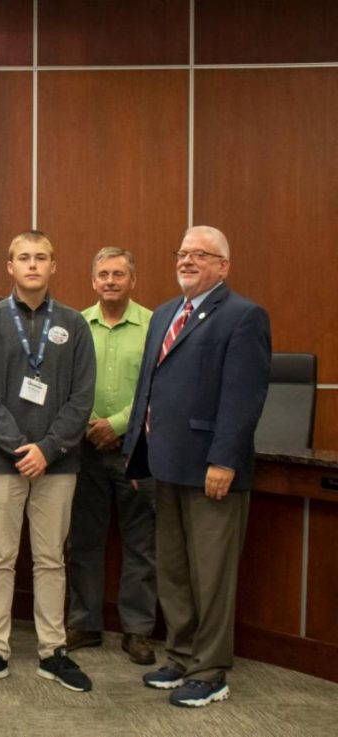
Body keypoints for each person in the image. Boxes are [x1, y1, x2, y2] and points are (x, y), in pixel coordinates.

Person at [123, 226, 271, 707]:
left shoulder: (244, 316)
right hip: (166, 465)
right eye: (182, 253)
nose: (187, 260)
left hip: (211, 469)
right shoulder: (166, 313)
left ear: (223, 266)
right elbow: (148, 387)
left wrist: (224, 459)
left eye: (200, 255)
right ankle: (182, 656)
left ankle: (211, 670)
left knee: (211, 574)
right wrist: (136, 455)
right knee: (175, 571)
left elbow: (243, 398)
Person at [0, 230, 96, 693]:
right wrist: (21, 447)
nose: (33, 265)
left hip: (57, 463)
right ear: (10, 268)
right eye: (24, 257)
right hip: (1, 461)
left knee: (51, 560)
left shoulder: (75, 325)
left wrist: (48, 449)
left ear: (54, 266)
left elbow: (81, 399)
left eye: (41, 257)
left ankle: (52, 651)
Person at [66, 247, 157, 665]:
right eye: (103, 273)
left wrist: (118, 424)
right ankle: (84, 624)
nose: (110, 280)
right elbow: (68, 384)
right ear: (92, 280)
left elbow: (158, 389)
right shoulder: (77, 325)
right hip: (84, 449)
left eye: (119, 273)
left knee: (141, 545)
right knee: (84, 541)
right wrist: (91, 425)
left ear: (133, 280)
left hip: (138, 450)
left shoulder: (154, 325)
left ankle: (138, 630)